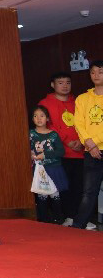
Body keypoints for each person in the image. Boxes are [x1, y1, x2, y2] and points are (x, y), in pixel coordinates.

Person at [38, 72, 83, 224]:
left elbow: (85, 123)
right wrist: (67, 141)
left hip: (80, 152)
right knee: (62, 186)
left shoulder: (77, 102)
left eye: (68, 83)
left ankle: (77, 217)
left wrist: (81, 141)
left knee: (79, 186)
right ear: (53, 85)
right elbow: (48, 125)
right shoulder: (45, 103)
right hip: (59, 153)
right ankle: (66, 217)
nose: (65, 86)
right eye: (60, 83)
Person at [72, 60, 103, 230]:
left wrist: (94, 142)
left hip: (94, 147)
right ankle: (79, 225)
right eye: (93, 72)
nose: (96, 75)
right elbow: (78, 123)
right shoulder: (82, 98)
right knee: (89, 191)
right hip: (91, 151)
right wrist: (89, 144)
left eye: (100, 72)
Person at [29, 106, 68, 225]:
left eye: (42, 116)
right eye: (35, 116)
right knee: (41, 194)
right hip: (39, 170)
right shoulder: (30, 134)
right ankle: (43, 221)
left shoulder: (53, 135)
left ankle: (58, 219)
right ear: (32, 119)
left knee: (54, 194)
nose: (39, 118)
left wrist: (45, 155)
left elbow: (61, 151)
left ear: (47, 119)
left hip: (53, 169)